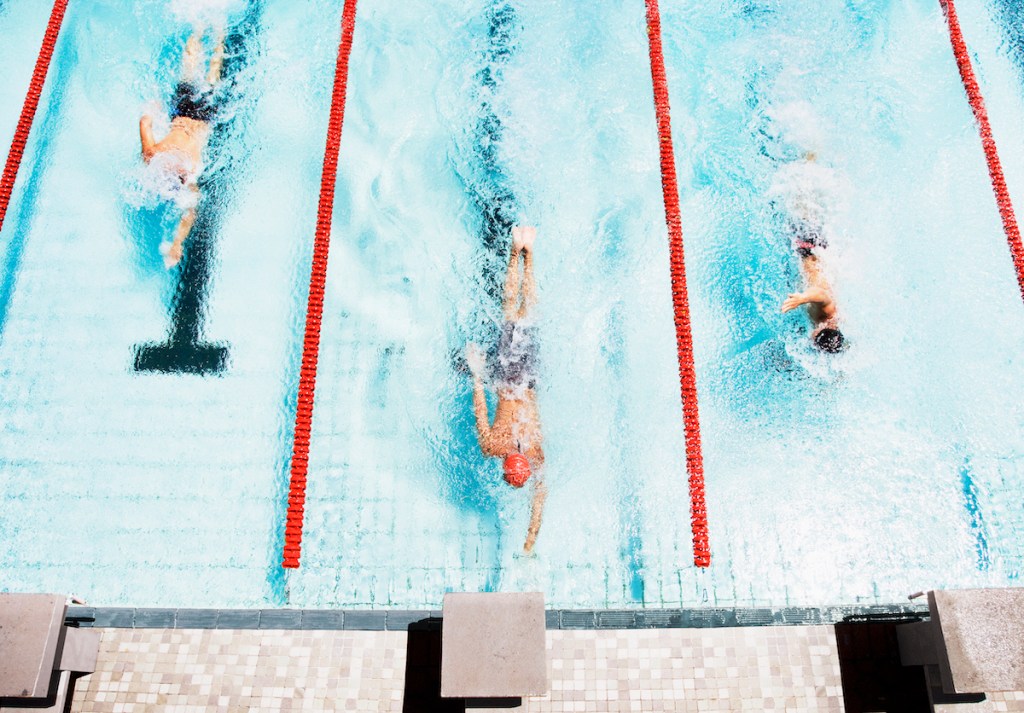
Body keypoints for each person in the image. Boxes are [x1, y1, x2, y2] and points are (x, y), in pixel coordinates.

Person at [466, 225, 547, 553]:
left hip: (527, 378)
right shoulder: (491, 447)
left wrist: (530, 541)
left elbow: (540, 500)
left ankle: (526, 254)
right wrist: (477, 374)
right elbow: (480, 408)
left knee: (527, 312)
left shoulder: (536, 455)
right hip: (508, 379)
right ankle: (517, 252)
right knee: (511, 312)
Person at [139, 25, 225, 268]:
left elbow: (190, 212)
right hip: (186, 111)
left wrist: (177, 243)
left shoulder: (187, 170)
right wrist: (152, 111)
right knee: (193, 64)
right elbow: (145, 122)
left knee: (211, 71)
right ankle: (204, 28)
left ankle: (216, 32)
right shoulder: (153, 155)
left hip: (201, 116)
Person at [775, 152, 846, 352]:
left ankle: (810, 159)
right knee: (799, 193)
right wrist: (803, 298)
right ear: (816, 335)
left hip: (815, 250)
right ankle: (809, 152)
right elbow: (823, 295)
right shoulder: (824, 316)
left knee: (808, 197)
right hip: (808, 247)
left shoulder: (837, 324)